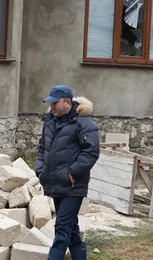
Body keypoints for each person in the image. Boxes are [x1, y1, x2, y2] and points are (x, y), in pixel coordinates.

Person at [35, 85, 100, 260]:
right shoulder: (50, 122)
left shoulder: (84, 123)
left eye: (56, 103)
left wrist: (73, 173)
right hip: (55, 183)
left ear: (68, 102)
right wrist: (40, 170)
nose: (53, 106)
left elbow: (91, 152)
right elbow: (42, 148)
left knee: (62, 228)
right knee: (71, 230)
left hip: (73, 185)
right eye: (51, 103)